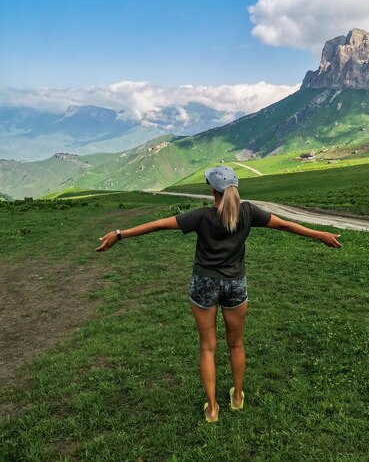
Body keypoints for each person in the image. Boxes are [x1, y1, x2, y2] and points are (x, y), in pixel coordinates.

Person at [96, 165, 342, 422]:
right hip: (235, 284)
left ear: (212, 189)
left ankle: (212, 409)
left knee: (208, 347)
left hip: (204, 284)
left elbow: (158, 225)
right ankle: (237, 397)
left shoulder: (201, 216)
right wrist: (319, 234)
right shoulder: (249, 212)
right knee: (236, 343)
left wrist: (120, 234)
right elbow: (284, 226)